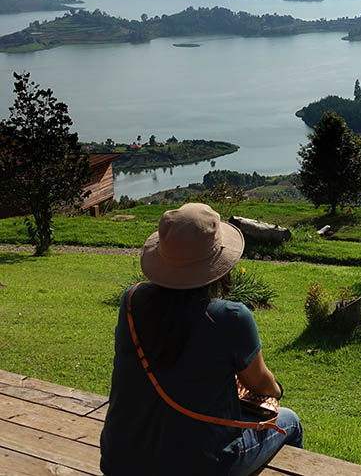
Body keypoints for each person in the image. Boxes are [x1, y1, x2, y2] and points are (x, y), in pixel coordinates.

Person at [100, 202, 303, 475]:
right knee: (290, 421)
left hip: (122, 459)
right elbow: (261, 384)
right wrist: (276, 390)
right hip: (202, 464)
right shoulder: (231, 317)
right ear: (218, 262)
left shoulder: (132, 301)